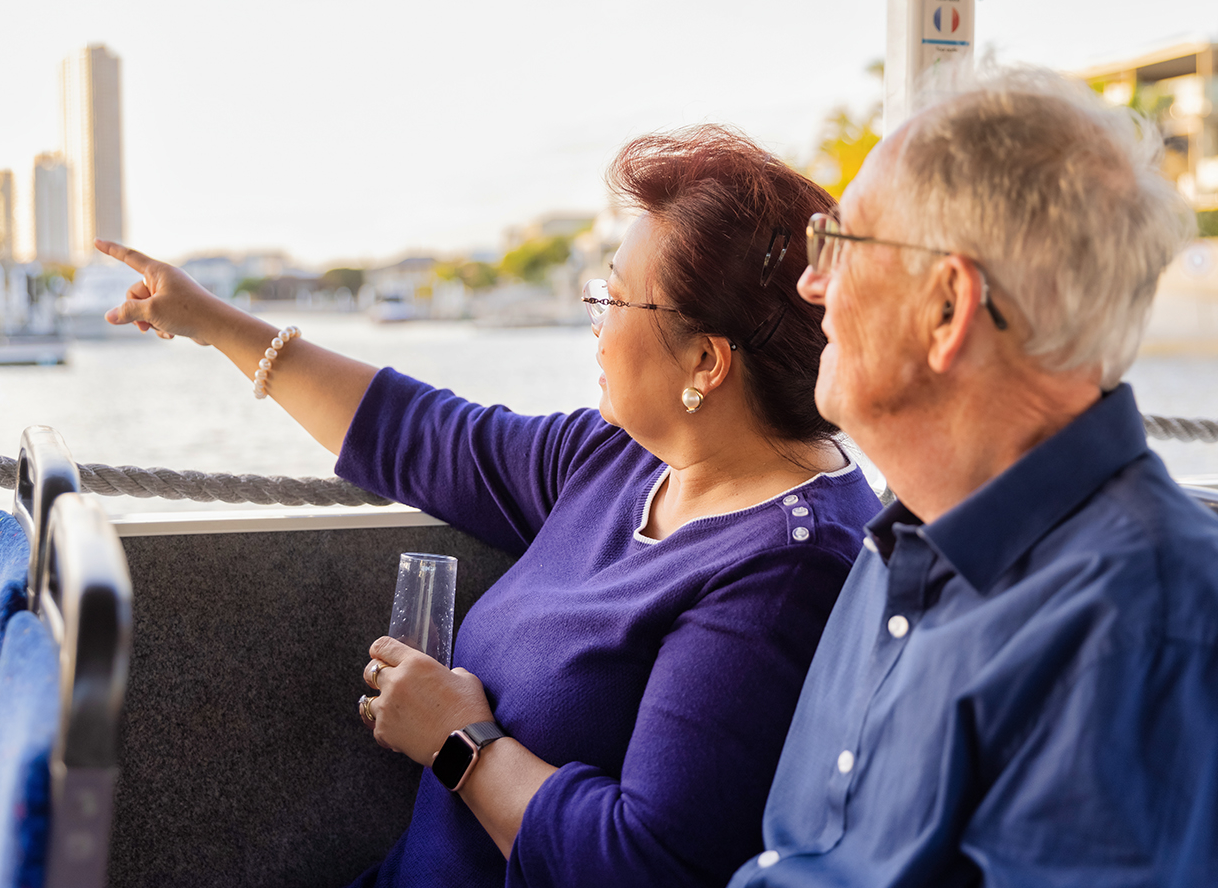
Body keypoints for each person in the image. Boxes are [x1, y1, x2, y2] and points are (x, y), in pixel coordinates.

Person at [96, 124, 882, 888]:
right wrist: (211, 322)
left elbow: (646, 865)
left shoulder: (785, 570)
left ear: (706, 361)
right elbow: (424, 434)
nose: (597, 322)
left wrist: (460, 743)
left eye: (613, 298)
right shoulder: (626, 456)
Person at [727, 67, 1218, 887]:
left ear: (948, 307)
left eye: (839, 243)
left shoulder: (1154, 632)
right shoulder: (904, 545)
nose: (813, 283)